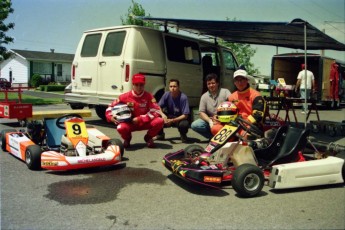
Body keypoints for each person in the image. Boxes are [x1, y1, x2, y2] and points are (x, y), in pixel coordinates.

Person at [105, 73, 164, 148]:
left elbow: (155, 111)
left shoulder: (149, 96)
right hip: (130, 123)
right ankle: (127, 139)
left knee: (160, 121)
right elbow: (110, 107)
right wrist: (110, 117)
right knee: (120, 127)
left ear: (144, 85)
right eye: (136, 85)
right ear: (133, 85)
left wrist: (140, 119)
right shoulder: (124, 96)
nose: (139, 87)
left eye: (141, 85)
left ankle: (148, 138)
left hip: (144, 122)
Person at [211, 69, 266, 137]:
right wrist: (217, 117)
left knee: (246, 135)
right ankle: (229, 144)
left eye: (242, 79)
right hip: (233, 124)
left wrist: (243, 123)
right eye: (237, 80)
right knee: (215, 128)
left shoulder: (256, 95)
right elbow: (224, 110)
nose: (239, 82)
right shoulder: (231, 97)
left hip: (249, 125)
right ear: (234, 82)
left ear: (247, 80)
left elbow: (258, 115)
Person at [191, 73, 231, 139]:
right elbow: (201, 112)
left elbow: (231, 106)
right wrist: (210, 121)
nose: (211, 85)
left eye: (213, 83)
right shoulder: (204, 96)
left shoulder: (225, 92)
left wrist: (220, 117)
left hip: (225, 119)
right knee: (195, 125)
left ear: (218, 83)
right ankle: (214, 138)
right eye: (209, 84)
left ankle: (226, 137)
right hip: (212, 120)